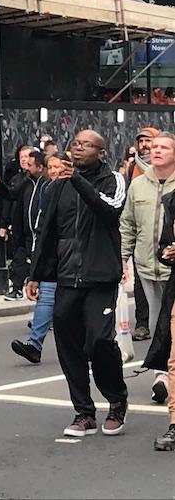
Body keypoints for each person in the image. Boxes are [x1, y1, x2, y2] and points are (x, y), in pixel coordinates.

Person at [27, 129, 129, 437]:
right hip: (67, 276)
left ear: (101, 151)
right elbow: (47, 229)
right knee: (68, 341)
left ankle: (116, 400)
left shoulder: (113, 179)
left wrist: (78, 180)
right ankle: (83, 411)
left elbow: (110, 210)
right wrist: (36, 274)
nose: (78, 147)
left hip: (100, 275)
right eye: (75, 143)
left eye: (86, 144)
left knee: (99, 341)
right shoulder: (57, 186)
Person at [122, 132, 175, 405]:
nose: (157, 151)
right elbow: (127, 224)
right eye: (154, 147)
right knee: (157, 322)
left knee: (173, 324)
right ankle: (161, 375)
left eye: (164, 147)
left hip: (173, 270)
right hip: (147, 266)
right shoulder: (138, 185)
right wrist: (122, 259)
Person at [9, 152, 63, 363]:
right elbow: (41, 226)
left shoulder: (78, 188)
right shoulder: (46, 190)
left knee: (73, 305)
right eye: (52, 168)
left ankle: (85, 345)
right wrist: (35, 272)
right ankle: (34, 345)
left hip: (74, 256)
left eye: (59, 167)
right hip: (50, 254)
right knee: (46, 297)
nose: (55, 171)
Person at [144, 135, 175, 449]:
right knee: (174, 360)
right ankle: (174, 425)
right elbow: (163, 244)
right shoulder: (173, 201)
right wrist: (167, 252)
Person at [0, 150, 49, 301]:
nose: (26, 168)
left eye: (30, 165)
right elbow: (12, 194)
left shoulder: (47, 185)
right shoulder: (26, 182)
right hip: (25, 233)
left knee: (38, 267)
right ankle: (16, 288)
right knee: (19, 262)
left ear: (40, 167)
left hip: (41, 235)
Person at [128, 127, 161, 342]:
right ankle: (143, 323)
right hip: (140, 237)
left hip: (164, 237)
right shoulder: (133, 168)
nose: (144, 146)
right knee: (140, 284)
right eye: (141, 142)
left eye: (148, 141)